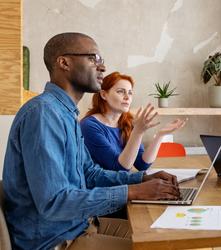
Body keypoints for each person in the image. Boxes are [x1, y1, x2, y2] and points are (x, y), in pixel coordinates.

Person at [2, 32, 180, 250]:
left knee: (167, 237)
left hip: (80, 226)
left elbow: (90, 173)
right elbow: (53, 202)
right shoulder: (43, 113)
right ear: (64, 62)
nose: (102, 67)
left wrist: (142, 179)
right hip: (56, 241)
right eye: (93, 58)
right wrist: (133, 192)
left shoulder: (65, 113)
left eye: (101, 60)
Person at [80, 71, 186, 172]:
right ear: (104, 95)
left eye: (130, 93)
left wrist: (160, 135)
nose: (127, 97)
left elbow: (142, 164)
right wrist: (138, 132)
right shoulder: (89, 126)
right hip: (102, 189)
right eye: (120, 91)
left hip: (122, 185)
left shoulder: (127, 123)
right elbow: (118, 169)